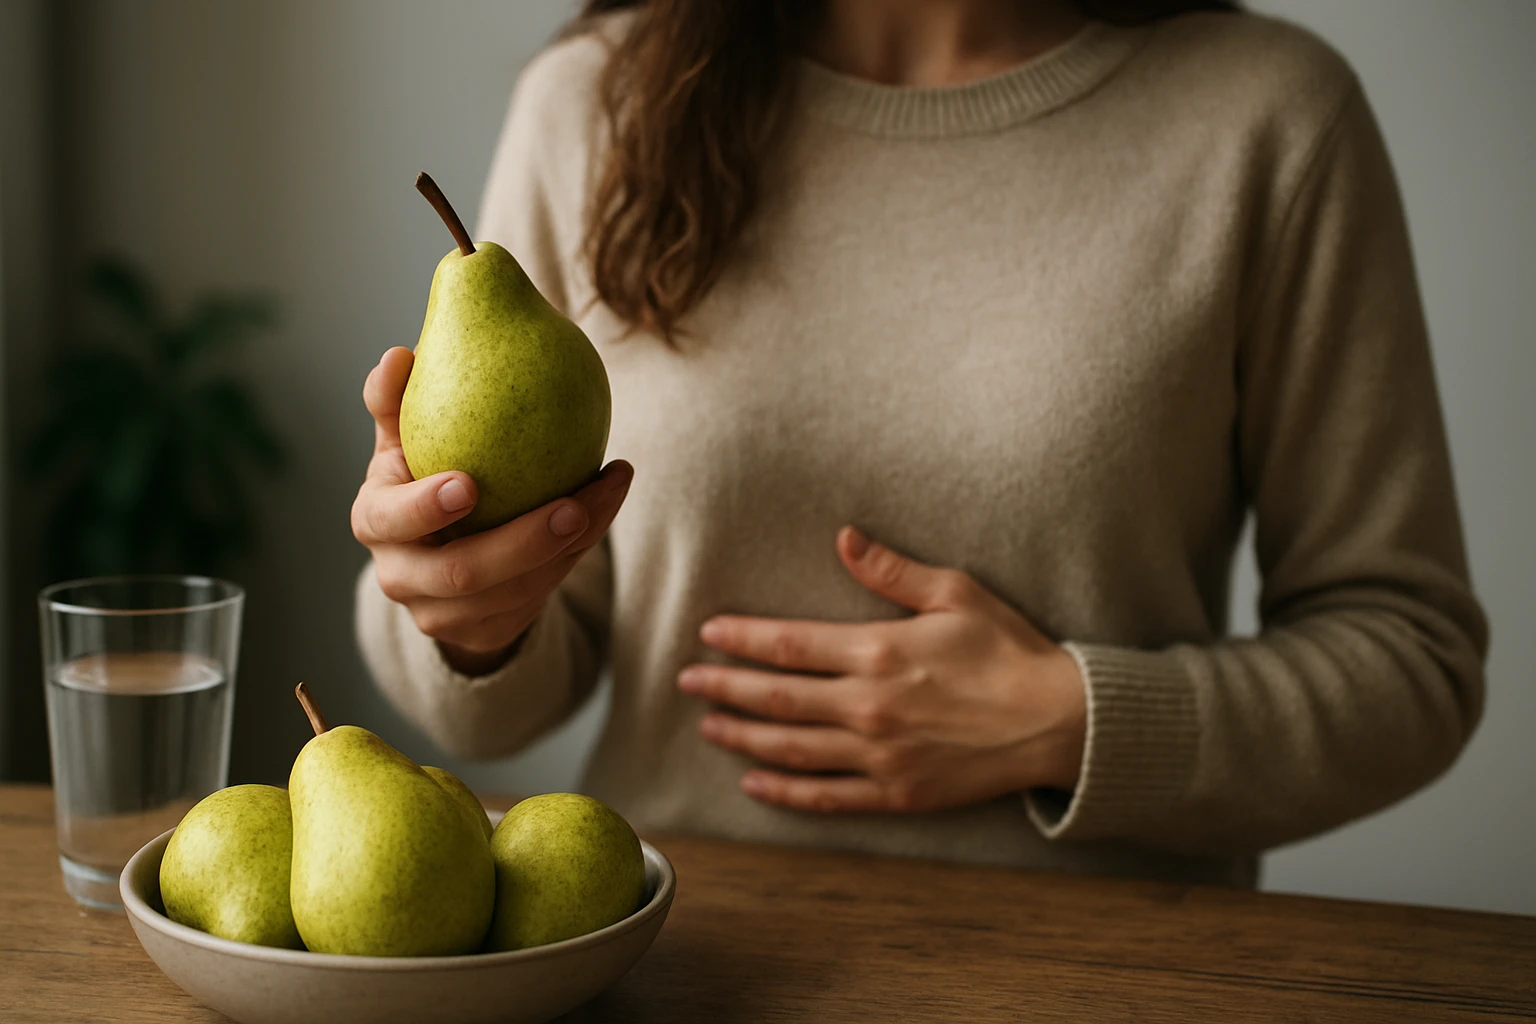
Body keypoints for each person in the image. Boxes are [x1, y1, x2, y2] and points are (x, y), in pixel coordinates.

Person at [352, 0, 1487, 885]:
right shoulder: (591, 103)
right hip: (685, 955)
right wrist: (464, 618)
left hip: (1117, 973)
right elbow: (490, 708)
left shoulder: (1270, 120)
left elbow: (1412, 659)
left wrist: (1071, 723)